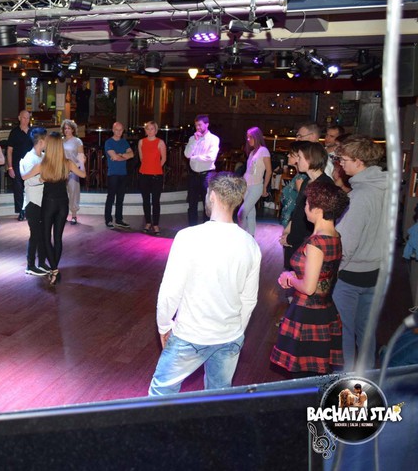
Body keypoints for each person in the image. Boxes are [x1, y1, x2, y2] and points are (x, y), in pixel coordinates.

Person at [148, 172, 260, 396]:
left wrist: (164, 325)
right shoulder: (250, 244)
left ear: (212, 196)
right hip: (229, 336)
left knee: (161, 394)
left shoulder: (188, 237)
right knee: (218, 398)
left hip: (191, 334)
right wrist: (235, 331)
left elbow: (170, 291)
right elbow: (249, 299)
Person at [271, 182, 349, 377]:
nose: (305, 207)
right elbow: (323, 275)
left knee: (301, 376)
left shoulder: (316, 243)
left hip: (307, 314)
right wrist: (295, 276)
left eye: (307, 204)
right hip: (326, 310)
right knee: (315, 375)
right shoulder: (335, 236)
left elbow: (308, 287)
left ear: (319, 209)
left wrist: (289, 277)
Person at [333, 136, 387, 370]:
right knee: (366, 331)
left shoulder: (360, 196)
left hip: (351, 274)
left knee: (342, 330)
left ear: (359, 161)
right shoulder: (386, 187)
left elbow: (346, 243)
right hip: (377, 271)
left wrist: (333, 270)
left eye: (344, 159)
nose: (340, 164)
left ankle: (344, 380)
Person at [23, 132, 85, 286]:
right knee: (58, 238)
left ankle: (55, 270)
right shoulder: (67, 163)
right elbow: (83, 175)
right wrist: (82, 162)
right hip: (63, 204)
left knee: (46, 238)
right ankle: (54, 270)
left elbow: (24, 176)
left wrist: (39, 176)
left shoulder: (43, 164)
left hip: (49, 204)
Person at [280, 142, 332, 269]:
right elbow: (298, 210)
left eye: (300, 157)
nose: (297, 161)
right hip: (296, 237)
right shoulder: (307, 181)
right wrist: (288, 230)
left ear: (310, 160)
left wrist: (292, 238)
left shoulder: (324, 184)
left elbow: (318, 221)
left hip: (307, 241)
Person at [20, 128, 50, 276]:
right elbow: (27, 180)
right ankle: (30, 265)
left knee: (44, 233)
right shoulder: (28, 158)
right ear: (41, 141)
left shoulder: (44, 157)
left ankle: (42, 262)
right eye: (47, 140)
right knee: (35, 234)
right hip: (32, 202)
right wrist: (44, 178)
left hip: (44, 200)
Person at [184, 114, 220, 226]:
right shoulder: (192, 139)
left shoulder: (213, 139)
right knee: (192, 204)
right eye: (196, 125)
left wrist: (194, 158)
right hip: (193, 175)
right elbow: (187, 154)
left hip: (207, 175)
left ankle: (206, 228)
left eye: (199, 125)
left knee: (207, 204)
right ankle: (192, 228)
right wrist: (195, 141)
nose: (197, 127)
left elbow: (211, 157)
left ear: (207, 124)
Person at [238, 126, 272, 236]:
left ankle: (242, 237)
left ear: (257, 137)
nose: (248, 139)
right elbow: (248, 171)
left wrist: (265, 187)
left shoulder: (264, 151)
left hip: (256, 186)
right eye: (247, 137)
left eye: (250, 137)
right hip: (246, 185)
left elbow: (269, 171)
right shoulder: (252, 152)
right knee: (250, 213)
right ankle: (251, 236)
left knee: (241, 213)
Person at [137, 120, 167, 235]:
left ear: (156, 130)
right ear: (145, 130)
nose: (150, 131)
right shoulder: (141, 142)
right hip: (144, 174)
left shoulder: (160, 142)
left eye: (152, 129)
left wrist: (155, 168)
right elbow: (141, 158)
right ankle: (148, 222)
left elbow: (164, 159)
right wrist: (148, 167)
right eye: (148, 129)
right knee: (145, 200)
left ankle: (156, 224)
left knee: (155, 201)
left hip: (156, 175)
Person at [104, 121, 134, 229]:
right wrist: (124, 156)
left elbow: (132, 154)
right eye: (116, 130)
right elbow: (114, 157)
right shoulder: (109, 142)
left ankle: (119, 219)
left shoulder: (124, 142)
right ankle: (108, 220)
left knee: (120, 198)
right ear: (113, 130)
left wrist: (120, 155)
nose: (118, 132)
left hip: (123, 173)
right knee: (111, 197)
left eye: (120, 130)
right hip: (113, 173)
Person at [6, 110, 33, 221]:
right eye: (24, 118)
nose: (26, 120)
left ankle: (31, 210)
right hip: (17, 164)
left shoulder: (33, 132)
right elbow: (9, 151)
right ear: (19, 118)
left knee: (31, 188)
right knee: (18, 189)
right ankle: (21, 211)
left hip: (31, 165)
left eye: (28, 118)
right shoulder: (14, 132)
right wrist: (10, 167)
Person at [61, 119, 85, 225]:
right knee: (62, 193)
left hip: (74, 169)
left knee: (73, 192)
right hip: (62, 170)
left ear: (73, 129)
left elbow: (81, 157)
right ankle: (63, 215)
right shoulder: (60, 141)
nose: (67, 130)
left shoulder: (77, 141)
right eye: (65, 128)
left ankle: (74, 215)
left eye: (69, 128)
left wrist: (78, 168)